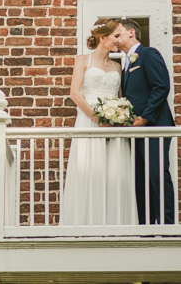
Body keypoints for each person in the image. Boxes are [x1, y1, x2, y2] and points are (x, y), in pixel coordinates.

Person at [59, 18, 136, 226]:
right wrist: (97, 118)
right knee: (89, 170)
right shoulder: (83, 60)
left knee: (115, 172)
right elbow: (75, 94)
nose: (120, 41)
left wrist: (119, 115)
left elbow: (121, 98)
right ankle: (85, 225)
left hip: (113, 125)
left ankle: (116, 224)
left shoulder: (118, 67)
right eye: (116, 36)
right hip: (89, 121)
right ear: (103, 38)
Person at [117, 18, 175, 225]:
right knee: (140, 179)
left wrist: (145, 117)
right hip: (135, 130)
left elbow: (161, 86)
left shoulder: (148, 54)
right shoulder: (125, 63)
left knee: (157, 174)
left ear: (131, 32)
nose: (116, 39)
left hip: (155, 126)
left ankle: (168, 225)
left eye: (118, 34)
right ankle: (146, 226)